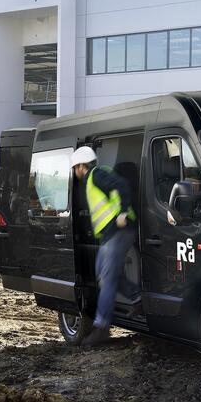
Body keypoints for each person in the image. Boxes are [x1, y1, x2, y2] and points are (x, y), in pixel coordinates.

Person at [70, 146, 136, 346]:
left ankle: (102, 327)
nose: (75, 172)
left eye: (75, 168)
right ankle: (137, 297)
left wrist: (123, 212)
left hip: (120, 230)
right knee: (102, 271)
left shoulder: (97, 175)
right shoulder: (93, 178)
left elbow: (122, 185)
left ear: (82, 166)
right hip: (109, 234)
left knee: (107, 277)